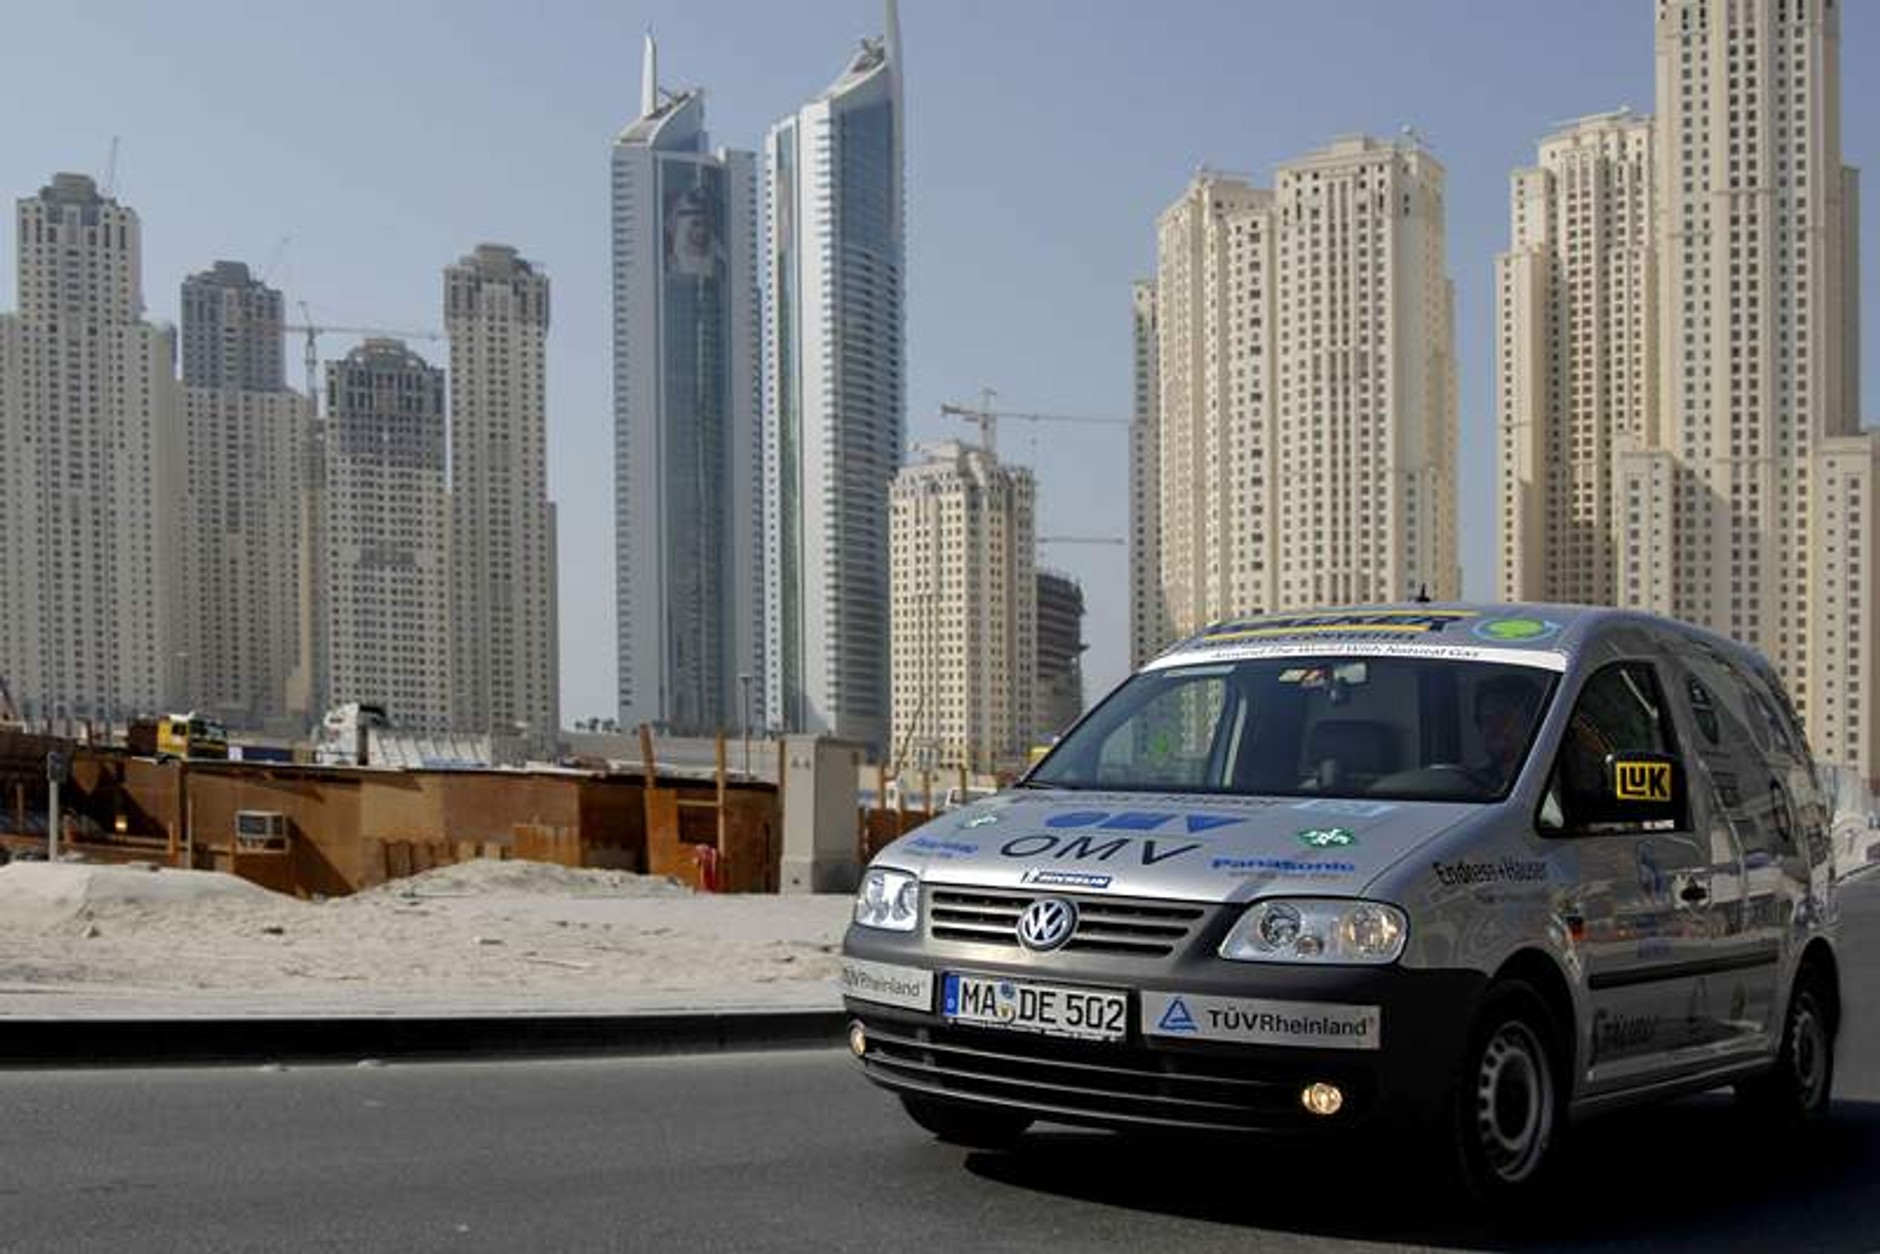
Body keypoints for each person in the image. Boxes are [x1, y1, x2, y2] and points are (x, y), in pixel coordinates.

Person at [1473, 671, 1547, 789]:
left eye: (1504, 717)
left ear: (1533, 721)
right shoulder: (1473, 786)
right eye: (1487, 719)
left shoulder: (1551, 779)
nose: (1494, 728)